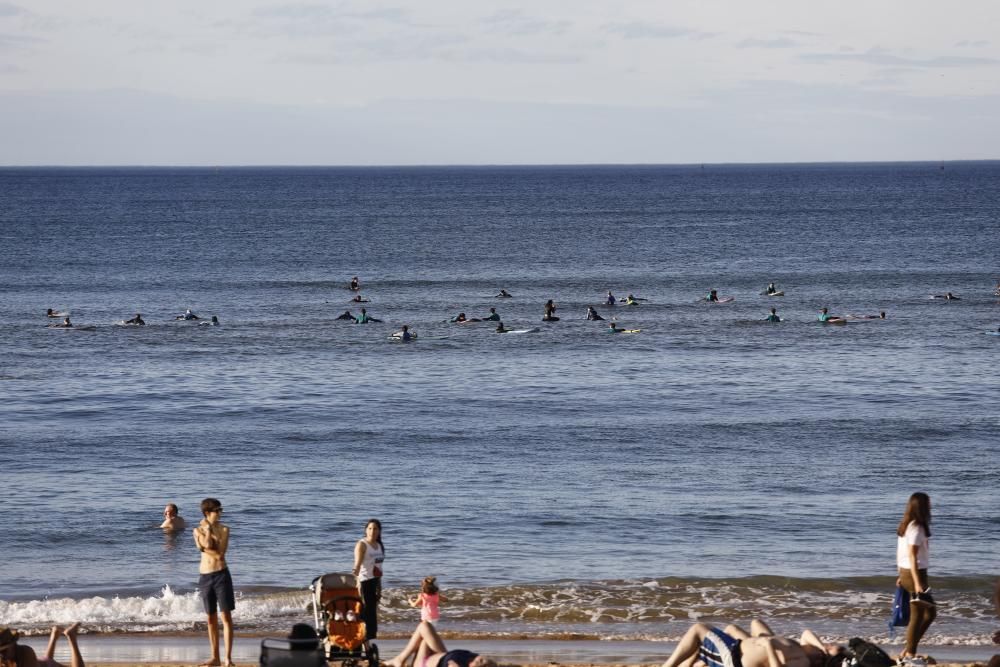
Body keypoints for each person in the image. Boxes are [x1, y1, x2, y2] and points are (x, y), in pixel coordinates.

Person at [659, 621, 824, 667]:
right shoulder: (803, 649)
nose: (826, 647)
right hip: (736, 650)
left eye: (828, 650)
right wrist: (823, 648)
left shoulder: (804, 661)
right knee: (705, 641)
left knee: (699, 628)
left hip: (735, 659)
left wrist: (769, 646)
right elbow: (806, 634)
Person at [193, 498, 234, 667]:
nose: (220, 513)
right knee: (210, 618)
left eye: (220, 510)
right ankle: (215, 657)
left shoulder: (225, 529)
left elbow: (220, 552)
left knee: (226, 616)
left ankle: (228, 658)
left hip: (221, 574)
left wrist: (208, 545)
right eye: (217, 510)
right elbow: (205, 545)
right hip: (205, 576)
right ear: (207, 513)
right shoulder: (197, 530)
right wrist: (208, 530)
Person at [896, 492, 936, 661]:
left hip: (908, 572)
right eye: (929, 502)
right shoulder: (916, 527)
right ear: (922, 506)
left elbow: (901, 552)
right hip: (915, 574)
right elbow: (912, 555)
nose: (931, 505)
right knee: (921, 614)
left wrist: (900, 574)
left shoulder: (908, 525)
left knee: (926, 613)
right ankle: (909, 653)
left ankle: (908, 650)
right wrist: (917, 582)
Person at [383, 621, 495, 667]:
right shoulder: (471, 657)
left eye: (480, 662)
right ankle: (399, 659)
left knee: (424, 626)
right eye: (482, 659)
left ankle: (399, 659)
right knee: (424, 626)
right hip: (438, 654)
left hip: (423, 663)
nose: (479, 659)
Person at [353, 519, 384, 645]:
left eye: (375, 528)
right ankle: (360, 641)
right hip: (364, 581)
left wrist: (379, 586)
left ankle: (366, 643)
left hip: (375, 581)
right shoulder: (362, 544)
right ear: (366, 530)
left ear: (379, 531)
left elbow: (379, 566)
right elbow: (357, 565)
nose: (372, 531)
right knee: (365, 612)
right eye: (370, 528)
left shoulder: (379, 545)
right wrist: (355, 577)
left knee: (371, 614)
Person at [1, 623, 87, 667]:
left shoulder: (25, 652)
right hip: (42, 662)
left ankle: (71, 637)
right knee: (47, 660)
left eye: (4, 650)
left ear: (13, 644)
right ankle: (54, 636)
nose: (1, 655)